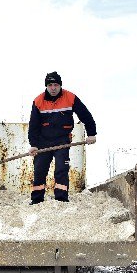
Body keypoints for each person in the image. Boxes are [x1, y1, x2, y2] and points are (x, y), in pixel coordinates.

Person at [28, 71, 96, 204]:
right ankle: (36, 200)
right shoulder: (38, 101)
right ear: (46, 86)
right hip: (43, 141)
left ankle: (61, 199)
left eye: (56, 85)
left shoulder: (70, 97)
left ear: (60, 85)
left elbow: (86, 115)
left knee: (61, 169)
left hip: (62, 140)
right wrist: (34, 144)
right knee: (40, 170)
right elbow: (33, 125)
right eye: (50, 85)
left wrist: (91, 134)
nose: (53, 88)